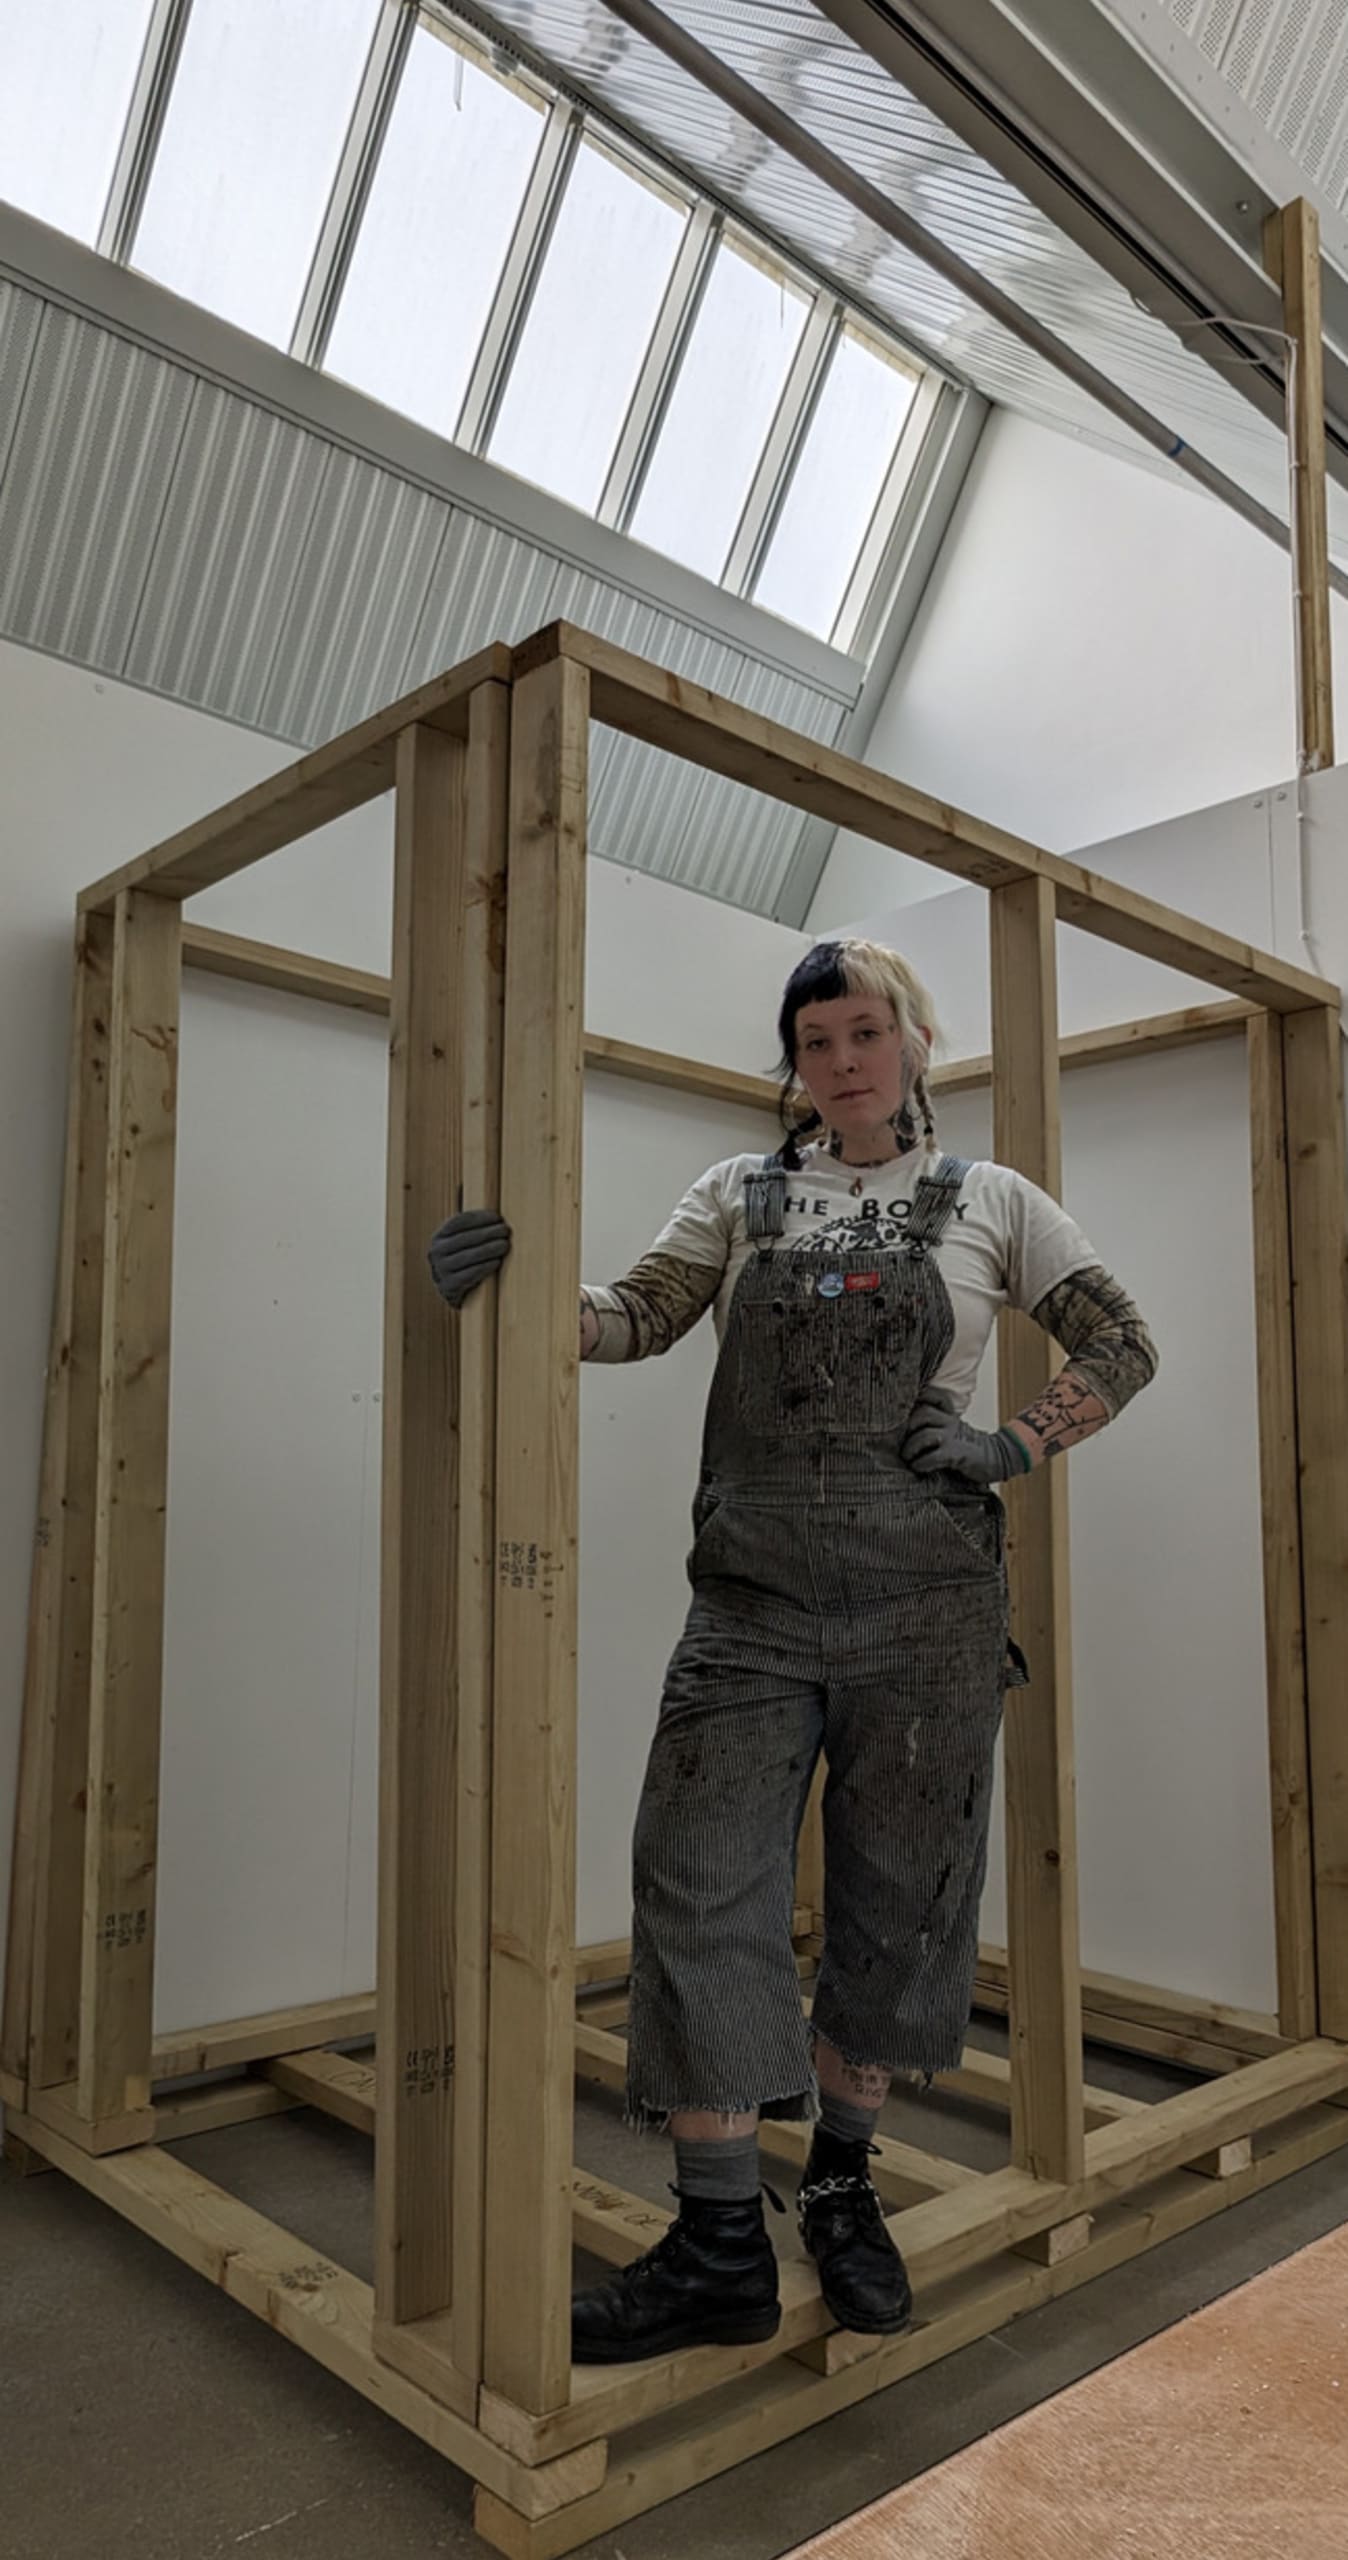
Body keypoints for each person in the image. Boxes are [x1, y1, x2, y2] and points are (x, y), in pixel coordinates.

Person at [429, 937, 1157, 2365]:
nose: (842, 1062)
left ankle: (840, 2187)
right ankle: (715, 2244)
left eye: (865, 1033)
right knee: (699, 1883)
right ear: (796, 1061)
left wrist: (1009, 1441)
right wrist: (511, 1287)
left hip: (928, 1612)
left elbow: (1121, 1342)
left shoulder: (992, 1200)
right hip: (749, 1606)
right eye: (816, 1040)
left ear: (913, 1042)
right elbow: (634, 1320)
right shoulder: (741, 1194)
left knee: (900, 1904)